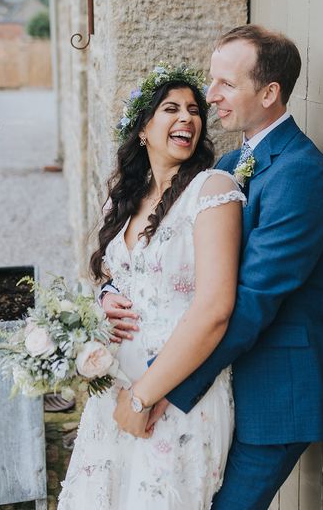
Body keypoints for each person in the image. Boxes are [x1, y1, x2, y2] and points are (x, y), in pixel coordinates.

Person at [105, 26, 323, 510]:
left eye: (225, 85)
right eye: (212, 82)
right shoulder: (235, 161)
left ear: (270, 92)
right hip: (222, 383)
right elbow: (163, 253)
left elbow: (251, 301)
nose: (210, 96)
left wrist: (158, 388)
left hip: (275, 393)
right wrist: (111, 290)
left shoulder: (300, 174)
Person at [58, 63, 246, 509]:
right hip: (115, 390)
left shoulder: (212, 190)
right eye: (171, 108)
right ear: (144, 127)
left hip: (173, 395)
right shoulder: (127, 196)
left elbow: (216, 308)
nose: (188, 118)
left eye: (195, 110)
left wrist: (144, 398)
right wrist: (105, 296)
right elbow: (109, 272)